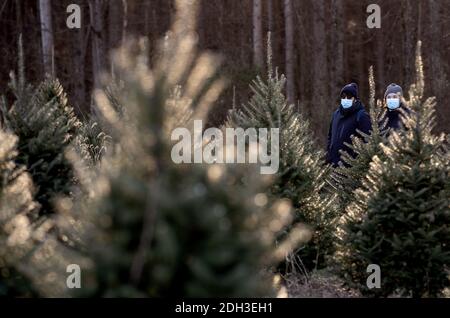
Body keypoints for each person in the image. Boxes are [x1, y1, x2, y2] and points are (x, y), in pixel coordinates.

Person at [326, 83, 372, 167]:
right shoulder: (336, 114)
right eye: (343, 97)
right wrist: (328, 156)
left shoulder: (361, 115)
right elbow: (330, 136)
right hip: (333, 166)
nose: (346, 99)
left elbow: (368, 141)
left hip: (351, 169)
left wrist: (357, 162)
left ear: (355, 99)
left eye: (349, 97)